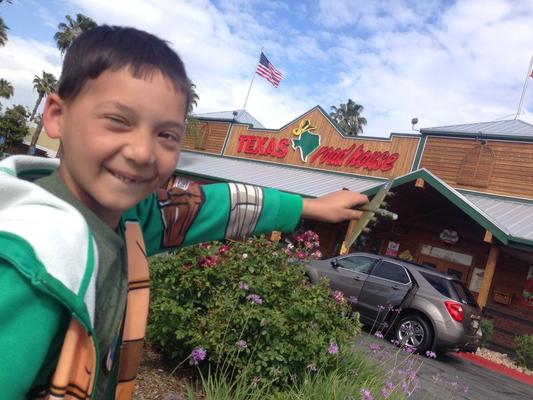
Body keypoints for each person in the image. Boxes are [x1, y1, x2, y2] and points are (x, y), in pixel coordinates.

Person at [0, 25, 368, 399]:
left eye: (167, 135)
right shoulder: (32, 262)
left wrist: (310, 207)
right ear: (57, 116)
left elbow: (215, 205)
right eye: (118, 121)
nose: (142, 152)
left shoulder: (130, 219)